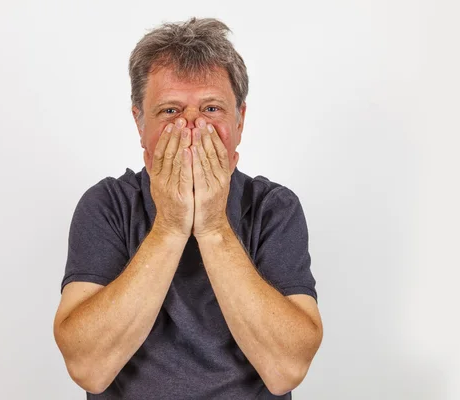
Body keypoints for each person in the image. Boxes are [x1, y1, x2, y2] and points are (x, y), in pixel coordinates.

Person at [53, 17, 323, 400]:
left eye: (211, 108)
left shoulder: (273, 208)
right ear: (139, 121)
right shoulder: (108, 205)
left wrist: (212, 226)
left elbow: (287, 370)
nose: (192, 128)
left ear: (240, 120)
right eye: (169, 112)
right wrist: (171, 226)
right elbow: (88, 368)